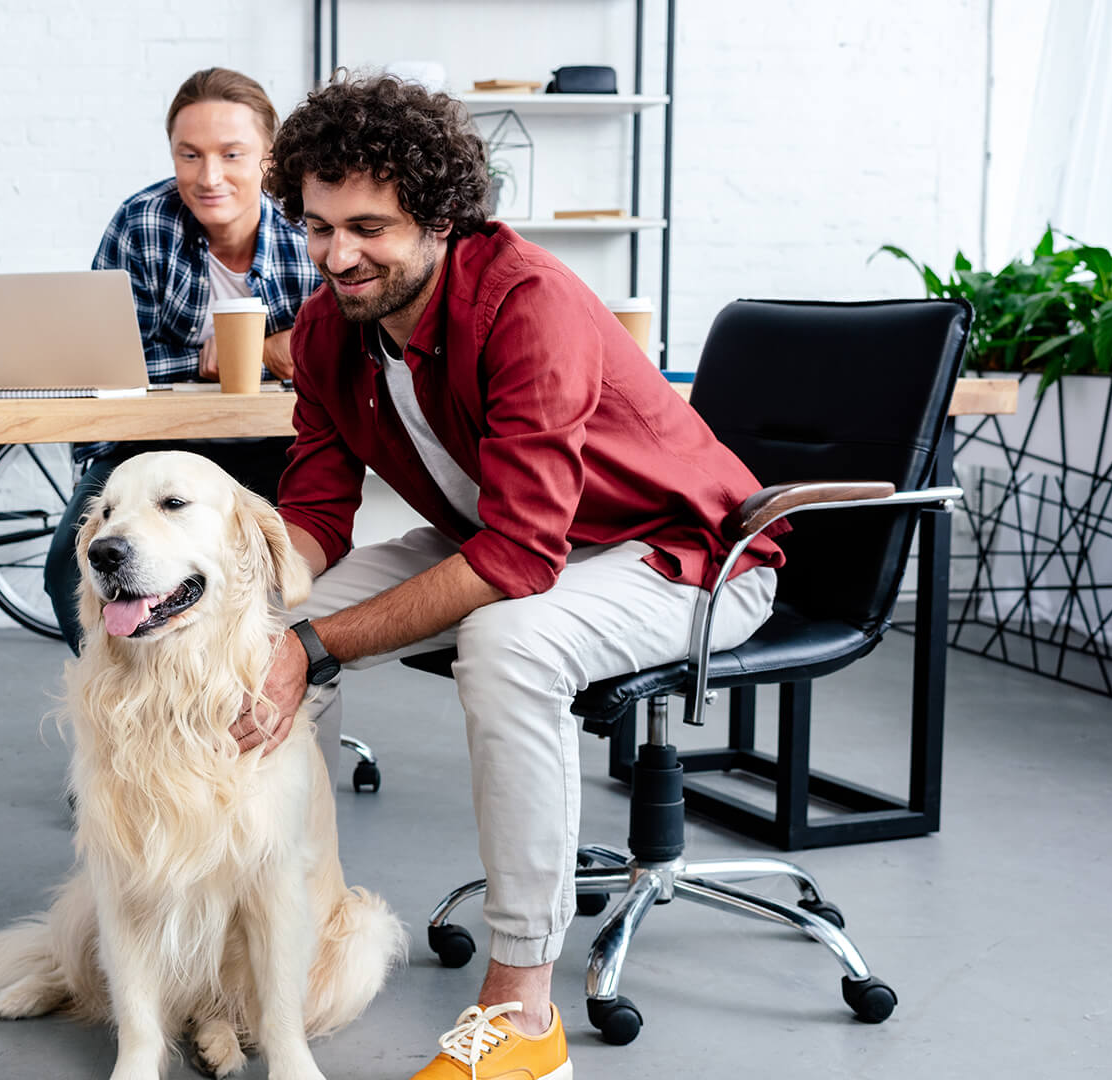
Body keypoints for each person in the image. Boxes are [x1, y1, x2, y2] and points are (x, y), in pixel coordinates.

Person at [239, 74, 788, 1079]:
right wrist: (264, 606)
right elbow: (317, 513)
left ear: (443, 219)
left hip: (688, 557)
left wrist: (308, 645)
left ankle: (524, 1011)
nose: (337, 255)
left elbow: (518, 559)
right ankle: (283, 939)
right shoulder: (326, 329)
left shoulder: (526, 304)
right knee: (253, 627)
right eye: (316, 227)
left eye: (369, 227)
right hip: (519, 541)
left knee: (505, 637)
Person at [41, 67, 321, 651]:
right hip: (146, 449)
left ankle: (254, 711)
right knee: (67, 574)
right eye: (189, 155)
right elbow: (107, 364)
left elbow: (340, 352)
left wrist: (270, 351)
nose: (208, 176)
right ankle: (135, 711)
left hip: (282, 447)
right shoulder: (141, 224)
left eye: (232, 154)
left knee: (276, 571)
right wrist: (205, 360)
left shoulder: (310, 230)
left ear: (270, 159)